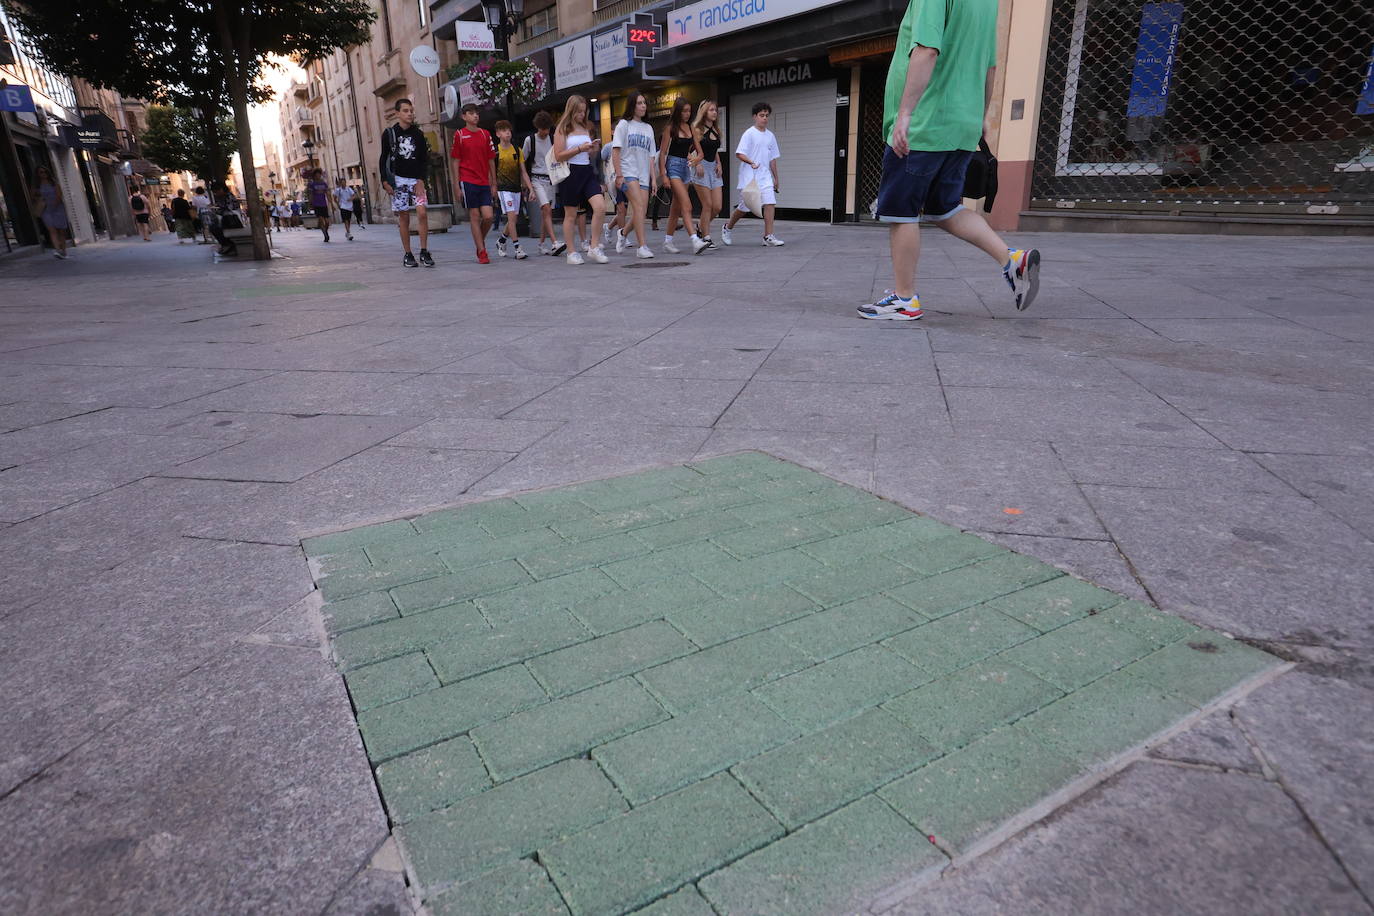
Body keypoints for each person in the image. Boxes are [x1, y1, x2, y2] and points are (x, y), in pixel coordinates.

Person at [860, 0, 1040, 321]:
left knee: (901, 212)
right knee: (945, 208)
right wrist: (981, 117)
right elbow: (990, 67)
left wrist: (905, 114)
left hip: (926, 122)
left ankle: (904, 300)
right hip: (962, 125)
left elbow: (927, 50)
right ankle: (1011, 259)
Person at [552, 95, 609, 265]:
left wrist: (591, 149)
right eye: (579, 112)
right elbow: (558, 155)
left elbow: (586, 151)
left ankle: (593, 247)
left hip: (586, 171)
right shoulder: (562, 128)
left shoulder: (585, 127)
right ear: (571, 110)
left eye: (584, 112)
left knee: (600, 207)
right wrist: (579, 148)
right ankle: (571, 252)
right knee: (571, 214)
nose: (582, 115)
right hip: (570, 173)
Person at [379, 97, 434, 268]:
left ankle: (424, 251)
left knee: (422, 213)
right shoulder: (390, 134)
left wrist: (421, 180)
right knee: (403, 216)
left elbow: (424, 160)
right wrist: (385, 181)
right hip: (398, 180)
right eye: (405, 111)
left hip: (415, 180)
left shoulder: (418, 134)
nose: (409, 114)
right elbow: (383, 158)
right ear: (397, 113)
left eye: (411, 111)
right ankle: (408, 253)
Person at [722, 102, 784, 248]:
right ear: (754, 116)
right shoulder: (749, 133)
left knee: (770, 202)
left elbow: (772, 159)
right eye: (761, 115)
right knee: (744, 208)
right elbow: (739, 153)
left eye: (767, 116)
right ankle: (727, 227)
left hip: (765, 177)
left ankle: (768, 236)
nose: (764, 118)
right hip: (749, 177)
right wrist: (751, 162)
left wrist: (776, 178)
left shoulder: (770, 136)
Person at [658, 97, 709, 255]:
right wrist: (663, 175)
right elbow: (662, 154)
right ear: (678, 111)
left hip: (685, 169)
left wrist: (696, 160)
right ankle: (694, 240)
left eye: (689, 111)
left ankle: (667, 241)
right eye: (684, 111)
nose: (687, 114)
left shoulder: (691, 128)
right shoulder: (670, 128)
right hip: (672, 167)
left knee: (676, 208)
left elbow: (700, 153)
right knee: (687, 205)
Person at [610, 91, 658, 259]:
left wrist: (653, 179)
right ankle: (642, 247)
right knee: (638, 207)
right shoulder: (624, 125)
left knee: (641, 212)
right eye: (639, 103)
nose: (643, 106)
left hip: (644, 173)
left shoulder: (649, 128)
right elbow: (616, 152)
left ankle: (622, 233)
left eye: (644, 102)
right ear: (632, 105)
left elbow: (652, 156)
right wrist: (619, 175)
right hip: (628, 172)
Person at [450, 103, 496, 264]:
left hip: (484, 181)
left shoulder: (485, 134)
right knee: (475, 216)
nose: (475, 116)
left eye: (476, 113)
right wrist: (456, 185)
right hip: (467, 180)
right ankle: (482, 252)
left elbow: (491, 159)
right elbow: (456, 161)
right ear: (464, 117)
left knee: (489, 217)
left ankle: (479, 242)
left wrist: (494, 183)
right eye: (470, 113)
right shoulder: (460, 135)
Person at [521, 110, 563, 255]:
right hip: (536, 179)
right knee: (545, 208)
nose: (545, 132)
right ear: (537, 127)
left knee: (548, 213)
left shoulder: (552, 139)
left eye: (548, 128)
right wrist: (526, 185)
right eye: (543, 129)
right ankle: (554, 243)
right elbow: (522, 161)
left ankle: (541, 244)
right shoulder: (530, 140)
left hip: (550, 180)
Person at [491, 120, 532, 260]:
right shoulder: (496, 152)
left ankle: (502, 241)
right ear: (498, 134)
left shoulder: (517, 149)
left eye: (508, 129)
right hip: (504, 189)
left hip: (516, 189)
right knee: (512, 218)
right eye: (503, 130)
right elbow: (491, 172)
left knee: (512, 218)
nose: (507, 132)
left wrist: (530, 189)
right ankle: (517, 247)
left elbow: (523, 172)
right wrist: (494, 187)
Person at [691, 99, 724, 248]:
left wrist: (719, 163)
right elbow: (686, 150)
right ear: (704, 111)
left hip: (714, 168)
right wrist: (696, 162)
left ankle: (700, 227)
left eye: (715, 110)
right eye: (711, 110)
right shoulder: (697, 129)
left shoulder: (717, 130)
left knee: (717, 207)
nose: (714, 112)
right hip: (701, 167)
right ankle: (706, 237)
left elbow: (714, 150)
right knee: (708, 205)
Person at [31, 166, 69, 259]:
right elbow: (32, 196)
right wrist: (39, 199)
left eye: (45, 172)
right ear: (38, 174)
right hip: (45, 210)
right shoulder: (37, 185)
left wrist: (55, 204)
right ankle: (58, 250)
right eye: (41, 172)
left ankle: (64, 251)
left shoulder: (54, 183)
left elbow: (59, 195)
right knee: (52, 230)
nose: (43, 174)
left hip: (58, 209)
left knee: (61, 231)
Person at [206, 183, 240, 257]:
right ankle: (226, 244)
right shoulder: (221, 197)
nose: (215, 194)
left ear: (221, 189)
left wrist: (217, 210)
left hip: (233, 219)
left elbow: (228, 208)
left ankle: (228, 245)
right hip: (228, 218)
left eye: (216, 191)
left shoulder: (228, 196)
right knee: (213, 227)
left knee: (215, 227)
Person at [306, 168, 332, 242]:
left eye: (319, 174)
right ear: (314, 176)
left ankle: (325, 231)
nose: (318, 176)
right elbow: (310, 195)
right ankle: (325, 235)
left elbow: (327, 194)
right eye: (316, 175)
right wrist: (310, 203)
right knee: (321, 220)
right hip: (317, 204)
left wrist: (331, 203)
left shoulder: (323, 183)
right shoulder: (312, 184)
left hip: (324, 204)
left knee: (327, 222)